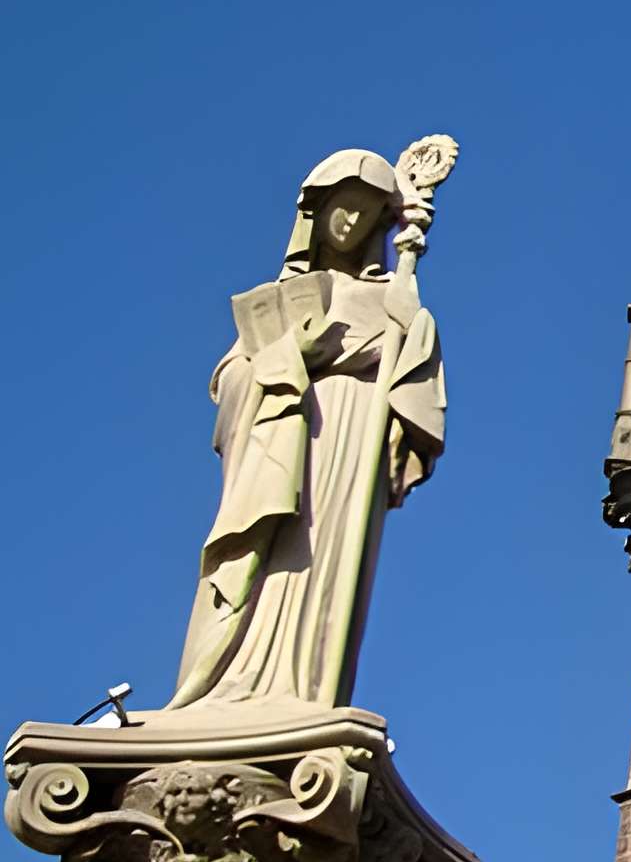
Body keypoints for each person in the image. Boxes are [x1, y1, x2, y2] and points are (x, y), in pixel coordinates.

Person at [167, 149, 446, 711]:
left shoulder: (388, 299)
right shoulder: (282, 298)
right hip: (281, 441)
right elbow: (229, 382)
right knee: (261, 569)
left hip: (347, 439)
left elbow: (414, 385)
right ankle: (228, 681)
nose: (350, 223)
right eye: (342, 208)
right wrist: (289, 358)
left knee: (322, 562)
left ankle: (303, 689)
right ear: (315, 215)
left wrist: (410, 315)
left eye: (365, 214)